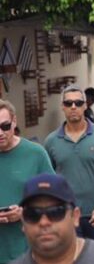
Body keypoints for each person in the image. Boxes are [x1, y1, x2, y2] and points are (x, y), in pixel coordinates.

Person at [43, 87, 94, 241]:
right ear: (62, 106)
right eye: (68, 103)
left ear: (85, 106)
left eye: (78, 103)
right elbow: (47, 181)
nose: (73, 107)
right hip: (66, 217)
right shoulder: (51, 141)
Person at [11, 174, 94, 263]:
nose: (44, 222)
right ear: (23, 221)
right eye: (33, 214)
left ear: (75, 217)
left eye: (56, 212)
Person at [0, 99, 55, 262]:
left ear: (14, 121)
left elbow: (55, 198)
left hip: (28, 250)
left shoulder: (35, 154)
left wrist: (25, 212)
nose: (0, 133)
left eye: (5, 126)